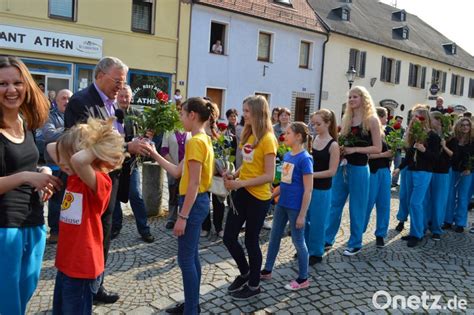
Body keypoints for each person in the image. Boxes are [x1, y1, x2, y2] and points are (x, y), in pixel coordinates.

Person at [64, 56, 149, 304]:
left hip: (110, 180)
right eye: (117, 81)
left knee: (104, 234)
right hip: (88, 182)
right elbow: (83, 143)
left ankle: (96, 285)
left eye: (123, 82)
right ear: (100, 75)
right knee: (89, 238)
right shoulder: (81, 102)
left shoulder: (113, 105)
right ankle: (85, 289)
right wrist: (126, 145)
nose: (121, 87)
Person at [0, 56, 62, 315]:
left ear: (26, 86)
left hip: (34, 222)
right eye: (2, 84)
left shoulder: (25, 125)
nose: (11, 90)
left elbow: (25, 164)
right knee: (7, 304)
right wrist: (27, 178)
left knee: (24, 294)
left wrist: (43, 171)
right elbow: (20, 174)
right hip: (5, 228)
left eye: (17, 82)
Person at [48, 118, 125, 314]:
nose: (62, 161)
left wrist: (100, 142)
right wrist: (73, 143)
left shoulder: (99, 181)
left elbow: (77, 161)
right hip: (66, 262)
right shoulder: (74, 175)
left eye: (68, 155)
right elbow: (50, 147)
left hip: (82, 266)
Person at [149, 97, 218, 314]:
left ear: (192, 115)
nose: (180, 117)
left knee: (185, 259)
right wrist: (153, 153)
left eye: (182, 113)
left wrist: (182, 216)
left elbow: (195, 183)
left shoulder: (196, 141)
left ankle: (191, 309)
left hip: (193, 203)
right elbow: (178, 172)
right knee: (191, 256)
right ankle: (191, 304)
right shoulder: (199, 138)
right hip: (196, 201)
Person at [222, 95, 278, 300]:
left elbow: (269, 176)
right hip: (242, 192)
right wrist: (234, 175)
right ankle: (245, 272)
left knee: (251, 240)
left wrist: (240, 183)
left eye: (246, 111)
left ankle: (254, 285)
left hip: (258, 197)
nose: (243, 114)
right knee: (229, 237)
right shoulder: (249, 135)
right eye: (243, 110)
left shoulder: (268, 139)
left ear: (257, 113)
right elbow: (247, 165)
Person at [324, 86, 382, 256]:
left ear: (363, 99)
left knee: (357, 207)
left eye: (355, 97)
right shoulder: (346, 118)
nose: (351, 100)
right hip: (343, 167)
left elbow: (377, 148)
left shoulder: (371, 120)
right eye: (349, 97)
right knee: (334, 203)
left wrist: (354, 149)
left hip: (359, 168)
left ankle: (355, 242)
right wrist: (341, 149)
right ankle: (327, 239)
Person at [261, 122, 313, 290]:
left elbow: (308, 189)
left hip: (296, 207)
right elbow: (284, 183)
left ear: (298, 137)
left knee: (298, 241)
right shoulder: (287, 156)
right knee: (274, 237)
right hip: (282, 205)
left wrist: (302, 215)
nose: (285, 135)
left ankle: (303, 278)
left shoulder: (305, 159)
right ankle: (267, 269)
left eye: (288, 133)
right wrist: (271, 196)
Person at [112, 85, 154, 243]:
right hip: (114, 162)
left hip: (132, 163)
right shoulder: (111, 113)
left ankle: (144, 229)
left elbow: (145, 136)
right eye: (121, 96)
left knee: (136, 195)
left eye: (126, 96)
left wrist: (147, 137)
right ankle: (116, 226)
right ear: (117, 97)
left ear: (131, 97)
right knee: (114, 196)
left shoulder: (137, 114)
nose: (124, 99)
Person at [397, 105, 440, 247]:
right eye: (413, 116)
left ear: (424, 118)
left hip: (424, 172)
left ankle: (417, 234)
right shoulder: (414, 135)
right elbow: (409, 155)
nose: (413, 119)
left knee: (416, 203)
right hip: (410, 171)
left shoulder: (433, 136)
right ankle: (416, 230)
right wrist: (399, 168)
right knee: (411, 202)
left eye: (416, 116)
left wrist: (423, 150)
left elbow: (435, 158)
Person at [305, 109, 339, 265]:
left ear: (328, 123)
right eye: (313, 124)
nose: (315, 127)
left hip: (322, 189)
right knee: (305, 219)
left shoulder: (333, 145)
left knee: (318, 221)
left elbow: (332, 171)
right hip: (308, 186)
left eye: (318, 124)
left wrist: (311, 175)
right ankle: (304, 248)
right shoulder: (312, 139)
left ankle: (316, 252)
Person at [42, 88, 73, 244]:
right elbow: (49, 135)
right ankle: (54, 231)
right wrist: (69, 132)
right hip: (54, 165)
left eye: (69, 98)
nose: (66, 101)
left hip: (71, 166)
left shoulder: (75, 115)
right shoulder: (50, 116)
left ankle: (68, 228)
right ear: (57, 100)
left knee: (70, 199)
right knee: (55, 201)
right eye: (63, 98)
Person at [363, 107, 392, 248]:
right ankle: (359, 232)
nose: (387, 119)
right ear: (379, 117)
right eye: (385, 116)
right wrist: (383, 155)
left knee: (384, 204)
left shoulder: (385, 133)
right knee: (367, 203)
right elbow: (365, 155)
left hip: (384, 171)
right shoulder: (368, 133)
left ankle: (381, 234)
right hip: (372, 172)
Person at [161, 101, 191, 230]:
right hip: (173, 167)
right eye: (178, 113)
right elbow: (164, 150)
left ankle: (183, 216)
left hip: (188, 169)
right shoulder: (169, 130)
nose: (180, 115)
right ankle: (172, 218)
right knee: (173, 193)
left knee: (184, 192)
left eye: (182, 113)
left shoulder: (190, 131)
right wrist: (175, 165)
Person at [424, 111, 453, 240]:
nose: (431, 122)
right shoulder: (427, 135)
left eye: (433, 119)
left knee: (439, 202)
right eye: (431, 119)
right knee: (426, 201)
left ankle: (436, 228)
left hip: (442, 172)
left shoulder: (449, 137)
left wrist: (444, 146)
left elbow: (454, 156)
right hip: (428, 170)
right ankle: (424, 225)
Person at [444, 117, 472, 233]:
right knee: (450, 195)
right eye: (463, 125)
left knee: (463, 197)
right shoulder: (453, 140)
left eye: (467, 125)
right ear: (458, 126)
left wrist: (470, 168)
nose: (465, 127)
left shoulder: (473, 140)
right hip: (453, 169)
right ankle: (448, 221)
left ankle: (460, 223)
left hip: (467, 172)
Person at [391, 115, 404, 187]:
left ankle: (394, 182)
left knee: (398, 166)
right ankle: (386, 181)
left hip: (398, 150)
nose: (399, 122)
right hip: (390, 149)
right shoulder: (390, 128)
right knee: (388, 165)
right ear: (395, 120)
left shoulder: (402, 129)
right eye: (398, 121)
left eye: (401, 121)